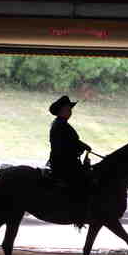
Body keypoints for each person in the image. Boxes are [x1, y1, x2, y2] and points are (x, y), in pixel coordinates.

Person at [47, 95, 94, 223]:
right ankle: (77, 211)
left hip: (65, 160)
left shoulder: (61, 124)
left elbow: (73, 141)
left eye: (70, 109)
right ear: (61, 111)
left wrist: (82, 145)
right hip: (63, 162)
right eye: (68, 109)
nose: (70, 111)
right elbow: (66, 144)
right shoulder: (60, 125)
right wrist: (80, 147)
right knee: (82, 181)